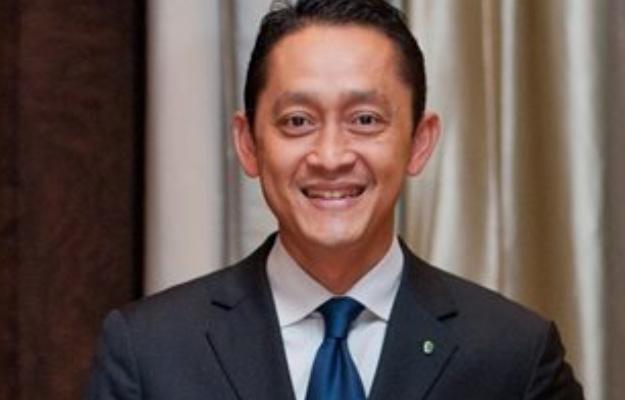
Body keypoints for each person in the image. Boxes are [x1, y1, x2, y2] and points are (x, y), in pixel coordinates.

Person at [86, 0, 584, 399]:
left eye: (365, 120)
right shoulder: (149, 351)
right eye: (297, 121)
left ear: (419, 142)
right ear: (248, 143)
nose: (330, 157)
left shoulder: (513, 356)